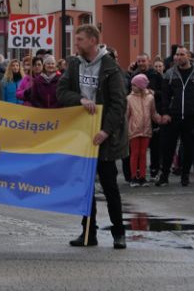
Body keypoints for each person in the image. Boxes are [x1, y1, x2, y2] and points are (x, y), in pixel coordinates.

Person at [57, 24, 128, 250]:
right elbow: (61, 92)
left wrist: (105, 131)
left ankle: (119, 233)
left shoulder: (110, 68)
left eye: (79, 39)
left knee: (110, 188)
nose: (75, 43)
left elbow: (118, 104)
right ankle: (88, 232)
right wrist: (79, 99)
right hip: (82, 135)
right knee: (85, 188)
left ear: (92, 41)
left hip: (105, 137)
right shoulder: (74, 64)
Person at [157, 47, 194, 187]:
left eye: (181, 54)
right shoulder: (169, 73)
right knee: (168, 147)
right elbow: (165, 96)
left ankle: (185, 175)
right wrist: (165, 113)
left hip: (192, 116)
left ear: (188, 56)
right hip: (173, 116)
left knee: (189, 147)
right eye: (176, 54)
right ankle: (164, 175)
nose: (178, 57)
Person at [126, 74, 161, 187]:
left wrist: (160, 119)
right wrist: (123, 128)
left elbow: (153, 112)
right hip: (134, 130)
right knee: (134, 154)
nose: (132, 87)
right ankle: (133, 177)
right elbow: (126, 115)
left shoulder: (150, 98)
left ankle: (142, 176)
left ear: (141, 86)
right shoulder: (129, 98)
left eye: (134, 85)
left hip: (146, 129)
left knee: (143, 154)